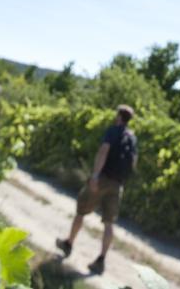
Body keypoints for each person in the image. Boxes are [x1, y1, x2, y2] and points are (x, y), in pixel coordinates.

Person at [56, 104, 138, 275]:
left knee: (81, 211)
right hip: (118, 184)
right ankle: (101, 260)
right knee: (109, 223)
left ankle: (69, 243)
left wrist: (95, 176)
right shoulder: (132, 137)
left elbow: (103, 151)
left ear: (118, 116)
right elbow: (134, 163)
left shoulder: (113, 131)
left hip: (103, 179)